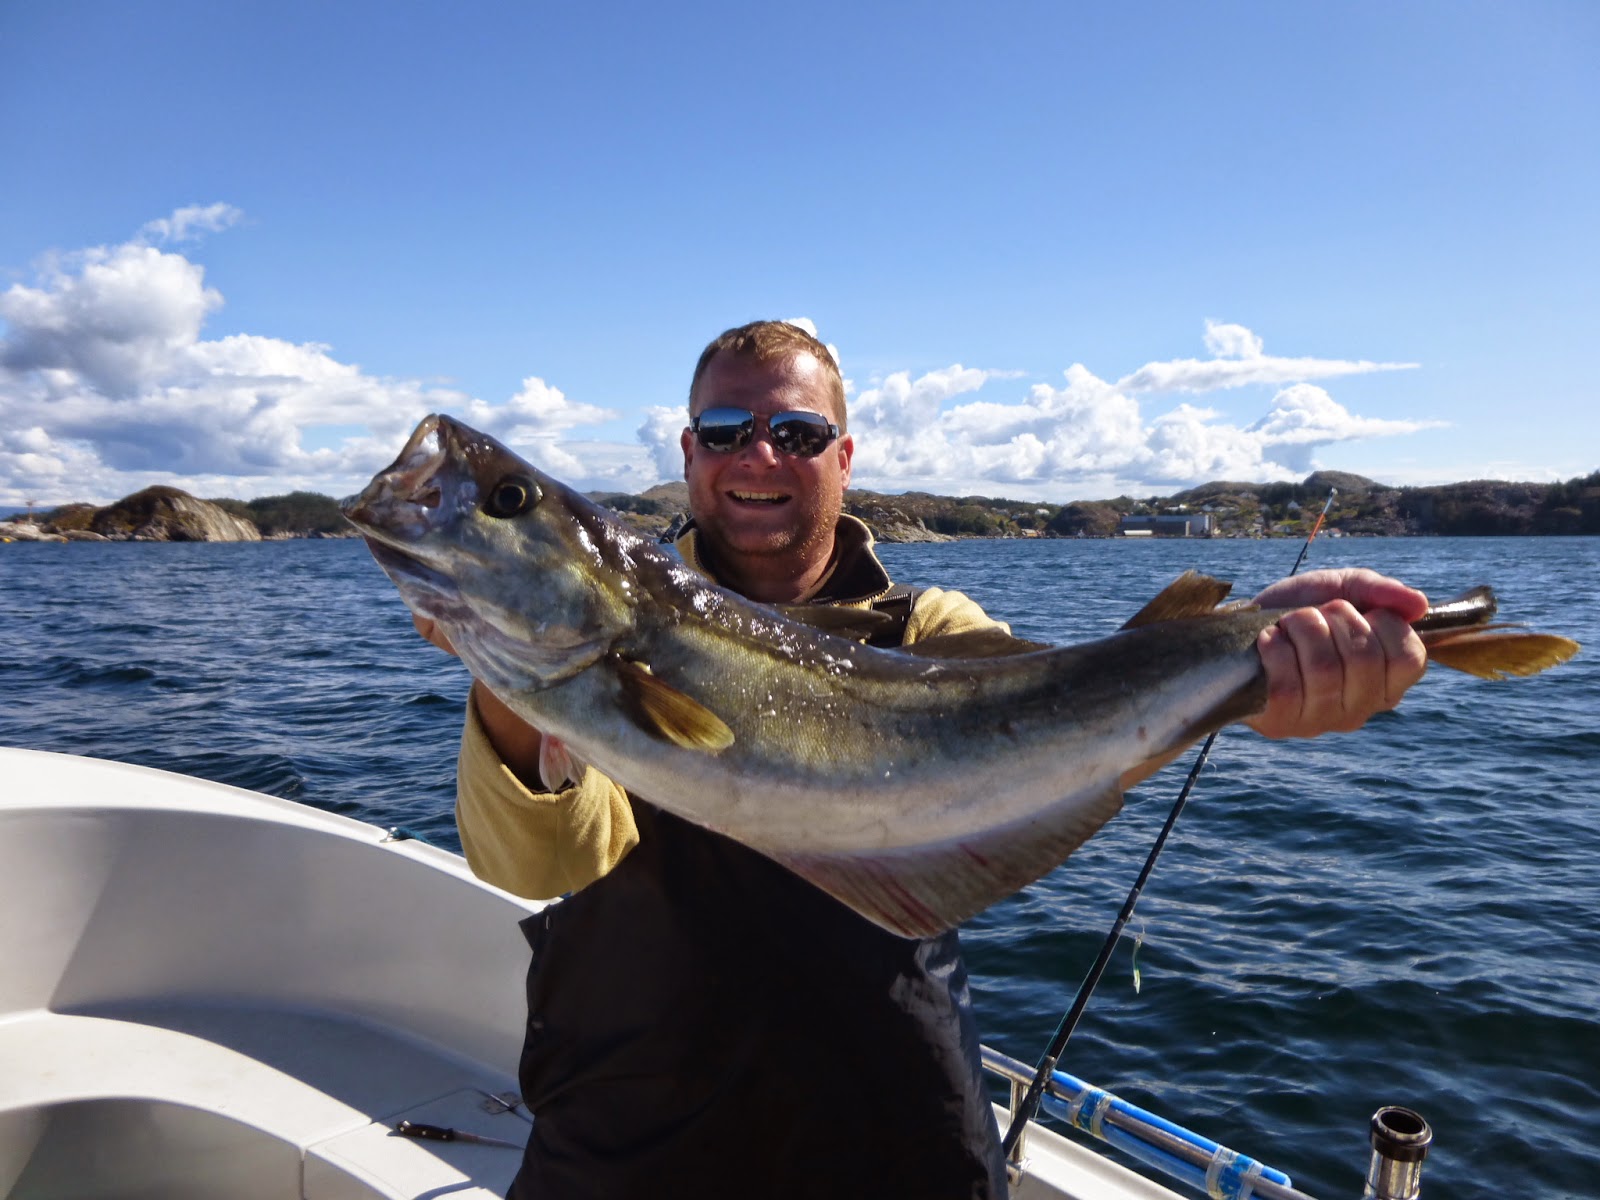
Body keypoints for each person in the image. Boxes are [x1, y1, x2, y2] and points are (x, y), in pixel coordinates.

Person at [415, 320, 1430, 1199]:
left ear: (843, 456)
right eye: (725, 430)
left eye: (796, 433)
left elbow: (1060, 714)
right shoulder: (600, 633)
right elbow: (540, 865)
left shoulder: (926, 630)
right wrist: (509, 675)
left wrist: (1251, 676)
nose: (758, 454)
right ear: (689, 453)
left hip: (894, 1130)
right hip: (630, 1129)